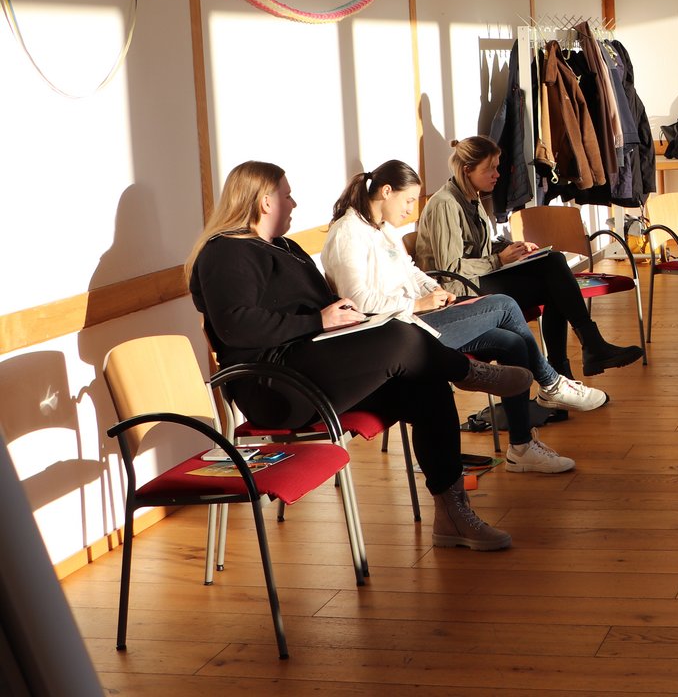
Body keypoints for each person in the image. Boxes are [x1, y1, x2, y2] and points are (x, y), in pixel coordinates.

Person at [187, 161, 531, 551]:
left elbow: (317, 306)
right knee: (402, 335)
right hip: (276, 387)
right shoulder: (226, 252)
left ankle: (453, 515)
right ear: (266, 202)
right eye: (287, 196)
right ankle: (466, 371)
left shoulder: (285, 247)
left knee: (426, 381)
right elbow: (236, 326)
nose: (294, 203)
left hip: (313, 368)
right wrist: (318, 320)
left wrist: (344, 314)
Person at [323, 160, 610, 474]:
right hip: (396, 334)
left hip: (418, 317)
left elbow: (412, 272)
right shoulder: (348, 233)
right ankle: (552, 384)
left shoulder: (383, 229)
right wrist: (418, 303)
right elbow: (358, 302)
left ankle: (521, 448)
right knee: (503, 304)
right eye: (408, 201)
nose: (411, 210)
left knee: (512, 343)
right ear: (387, 191)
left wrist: (434, 290)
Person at [414, 136, 643, 379]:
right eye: (490, 168)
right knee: (554, 286)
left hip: (475, 278)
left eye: (497, 167)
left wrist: (513, 248)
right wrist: (499, 260)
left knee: (552, 261)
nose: (497, 174)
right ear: (467, 169)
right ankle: (575, 362)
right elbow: (450, 268)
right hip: (456, 290)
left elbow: (476, 247)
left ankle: (581, 356)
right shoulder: (445, 204)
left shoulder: (472, 197)